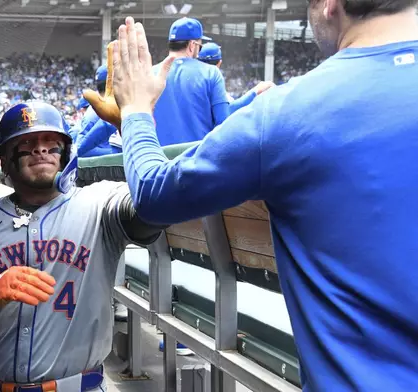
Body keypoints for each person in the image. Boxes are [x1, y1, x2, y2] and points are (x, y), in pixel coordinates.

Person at [104, 10, 418, 391]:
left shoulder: (286, 112)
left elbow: (154, 195)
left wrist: (135, 110)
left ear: (329, 4)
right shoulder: (229, 86)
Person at [0, 101, 164, 392]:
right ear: (4, 157)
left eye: (51, 142)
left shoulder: (100, 204)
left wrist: (133, 124)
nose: (40, 149)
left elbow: (159, 205)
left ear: (65, 153)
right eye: (26, 143)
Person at [152, 17, 229, 146]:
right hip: (196, 161)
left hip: (158, 160)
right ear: (192, 45)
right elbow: (224, 126)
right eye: (200, 45)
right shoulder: (211, 73)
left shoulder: (150, 73)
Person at [197, 42, 275, 114]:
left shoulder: (190, 78)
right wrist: (256, 91)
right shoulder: (214, 82)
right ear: (219, 63)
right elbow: (228, 110)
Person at [76, 65, 121, 157]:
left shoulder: (114, 105)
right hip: (107, 168)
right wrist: (117, 154)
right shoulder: (94, 113)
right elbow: (81, 151)